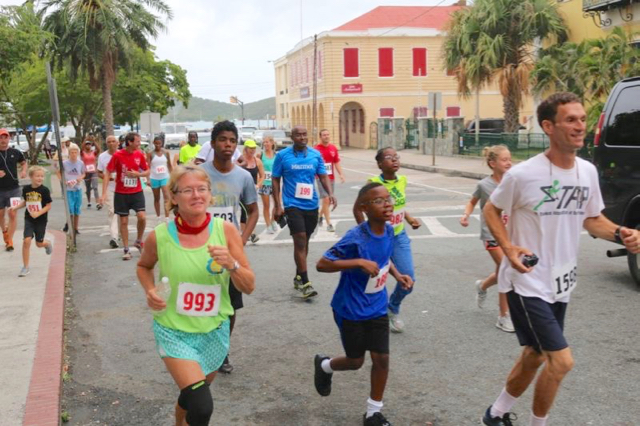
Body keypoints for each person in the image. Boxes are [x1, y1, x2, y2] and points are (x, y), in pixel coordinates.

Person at [480, 92, 640, 426]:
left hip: (561, 280)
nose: (580, 126)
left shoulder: (587, 171)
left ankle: (495, 414)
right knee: (561, 361)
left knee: (535, 354)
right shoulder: (523, 175)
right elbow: (491, 209)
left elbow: (592, 218)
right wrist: (508, 249)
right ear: (548, 126)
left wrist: (622, 232)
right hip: (526, 279)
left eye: (582, 119)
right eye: (571, 120)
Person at [137, 165, 255, 426]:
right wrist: (150, 290)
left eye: (202, 189)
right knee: (202, 406)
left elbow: (249, 285)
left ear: (210, 194)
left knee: (192, 395)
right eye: (188, 190)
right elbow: (143, 266)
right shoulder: (160, 236)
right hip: (173, 330)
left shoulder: (225, 231)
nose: (196, 195)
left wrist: (232, 265)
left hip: (214, 330)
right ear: (174, 197)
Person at [315, 182, 413, 426]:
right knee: (355, 361)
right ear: (364, 208)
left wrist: (398, 274)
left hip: (378, 306)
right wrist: (357, 262)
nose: (387, 204)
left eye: (387, 199)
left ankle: (373, 413)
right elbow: (322, 264)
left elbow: (383, 259)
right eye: (378, 201)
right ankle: (325, 366)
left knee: (381, 359)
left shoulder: (389, 231)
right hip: (351, 309)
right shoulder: (355, 237)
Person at [200, 120, 259, 374]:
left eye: (232, 141)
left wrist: (242, 239)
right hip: (201, 247)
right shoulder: (200, 174)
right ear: (213, 143)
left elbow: (254, 211)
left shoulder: (243, 176)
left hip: (230, 249)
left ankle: (222, 350)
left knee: (232, 305)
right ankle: (200, 346)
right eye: (223, 140)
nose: (228, 145)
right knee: (203, 299)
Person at [353, 147, 420, 333]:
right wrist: (366, 232)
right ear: (380, 164)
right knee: (372, 279)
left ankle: (392, 308)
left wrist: (409, 218)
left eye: (396, 157)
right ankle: (363, 314)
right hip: (378, 236)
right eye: (389, 158)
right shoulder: (373, 183)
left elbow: (398, 206)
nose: (395, 160)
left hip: (398, 236)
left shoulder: (403, 181)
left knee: (408, 279)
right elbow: (357, 208)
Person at [272, 125, 335, 299]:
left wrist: (330, 194)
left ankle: (299, 275)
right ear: (292, 137)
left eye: (304, 134)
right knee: (299, 239)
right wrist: (277, 205)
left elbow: (323, 176)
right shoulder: (282, 156)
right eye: (298, 135)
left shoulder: (315, 155)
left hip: (311, 205)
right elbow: (276, 180)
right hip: (292, 204)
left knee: (305, 241)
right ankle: (306, 283)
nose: (302, 137)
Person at [460, 145, 514, 333]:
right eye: (504, 160)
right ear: (492, 163)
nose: (509, 162)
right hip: (491, 234)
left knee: (502, 270)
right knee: (507, 270)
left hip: (509, 234)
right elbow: (472, 201)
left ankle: (482, 286)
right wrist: (466, 215)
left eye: (510, 159)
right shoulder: (484, 185)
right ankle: (503, 316)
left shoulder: (513, 181)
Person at [101, 132, 150, 261]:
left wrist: (138, 175)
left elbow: (147, 171)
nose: (139, 144)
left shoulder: (139, 154)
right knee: (123, 221)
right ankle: (126, 249)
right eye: (137, 142)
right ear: (130, 142)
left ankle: (139, 240)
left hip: (136, 191)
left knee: (142, 217)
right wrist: (104, 193)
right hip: (121, 193)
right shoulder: (118, 155)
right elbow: (107, 172)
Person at [10, 166, 53, 276]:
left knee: (39, 244)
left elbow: (48, 206)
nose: (40, 178)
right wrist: (15, 207)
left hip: (41, 220)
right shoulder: (26, 189)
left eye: (42, 176)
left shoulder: (44, 190)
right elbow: (25, 202)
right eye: (37, 176)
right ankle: (25, 267)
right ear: (31, 177)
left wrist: (38, 213)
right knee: (26, 241)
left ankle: (46, 244)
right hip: (29, 219)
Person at [0, 128, 27, 251]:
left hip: (14, 189)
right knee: (1, 214)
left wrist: (24, 171)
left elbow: (23, 162)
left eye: (5, 137)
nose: (3, 140)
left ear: (8, 138)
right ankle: (4, 230)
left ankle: (9, 240)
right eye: (1, 137)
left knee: (12, 213)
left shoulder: (15, 152)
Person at [315, 129, 345, 232]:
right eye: (324, 135)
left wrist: (341, 174)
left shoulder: (333, 148)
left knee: (326, 202)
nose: (326, 136)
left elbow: (336, 162)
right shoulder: (316, 150)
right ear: (320, 137)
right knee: (326, 199)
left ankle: (320, 215)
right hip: (320, 178)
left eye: (328, 135)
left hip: (331, 178)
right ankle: (329, 224)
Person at [236, 140, 264, 244]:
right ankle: (248, 234)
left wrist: (258, 185)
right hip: (240, 190)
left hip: (252, 191)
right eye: (250, 148)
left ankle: (250, 234)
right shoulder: (240, 161)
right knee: (244, 211)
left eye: (254, 148)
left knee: (252, 211)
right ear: (245, 149)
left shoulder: (257, 161)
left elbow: (262, 175)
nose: (252, 150)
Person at [97, 135, 120, 248]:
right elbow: (99, 172)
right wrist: (109, 178)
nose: (111, 144)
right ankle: (114, 237)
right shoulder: (102, 157)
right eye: (109, 142)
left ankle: (120, 232)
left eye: (113, 141)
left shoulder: (122, 154)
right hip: (110, 188)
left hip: (123, 188)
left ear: (118, 143)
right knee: (112, 211)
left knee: (121, 213)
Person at [58, 143, 85, 234]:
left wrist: (80, 178)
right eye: (72, 152)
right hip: (69, 189)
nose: (74, 154)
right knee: (70, 209)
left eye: (75, 152)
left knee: (77, 209)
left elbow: (84, 173)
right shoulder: (65, 163)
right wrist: (63, 181)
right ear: (69, 153)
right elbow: (58, 172)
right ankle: (70, 226)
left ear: (77, 153)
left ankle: (76, 228)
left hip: (78, 188)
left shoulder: (80, 163)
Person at [147, 136, 172, 222]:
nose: (158, 145)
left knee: (166, 196)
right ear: (153, 143)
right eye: (156, 143)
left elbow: (169, 165)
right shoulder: (150, 154)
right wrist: (148, 179)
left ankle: (167, 217)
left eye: (159, 143)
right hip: (154, 178)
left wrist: (173, 176)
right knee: (156, 198)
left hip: (165, 177)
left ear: (162, 144)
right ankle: (158, 217)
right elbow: (148, 167)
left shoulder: (166, 153)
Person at [258, 134, 277, 234]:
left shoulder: (277, 155)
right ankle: (268, 225)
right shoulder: (260, 155)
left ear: (272, 143)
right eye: (264, 142)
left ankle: (273, 220)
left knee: (277, 204)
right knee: (266, 206)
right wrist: (259, 180)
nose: (265, 144)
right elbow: (256, 168)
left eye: (267, 142)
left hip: (274, 183)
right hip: (264, 183)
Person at [81, 138, 101, 209]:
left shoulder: (93, 152)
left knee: (95, 187)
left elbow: (98, 149)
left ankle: (97, 203)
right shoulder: (83, 153)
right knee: (88, 188)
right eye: (87, 145)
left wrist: (94, 141)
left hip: (94, 172)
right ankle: (89, 202)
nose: (88, 146)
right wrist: (85, 139)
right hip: (86, 172)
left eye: (89, 144)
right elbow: (81, 148)